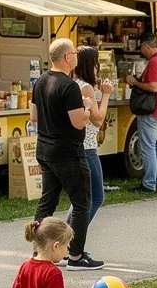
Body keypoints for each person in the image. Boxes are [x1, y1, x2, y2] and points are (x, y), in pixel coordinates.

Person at [30, 38, 103, 271]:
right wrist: (88, 106)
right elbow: (79, 122)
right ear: (67, 57)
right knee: (82, 203)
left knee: (47, 201)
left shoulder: (41, 81)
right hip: (68, 151)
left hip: (45, 148)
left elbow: (34, 116)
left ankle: (39, 250)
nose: (76, 58)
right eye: (74, 53)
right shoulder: (69, 86)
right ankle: (76, 255)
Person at [65, 45, 111, 228]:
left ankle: (66, 238)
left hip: (75, 145)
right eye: (96, 62)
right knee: (96, 197)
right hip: (87, 148)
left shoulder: (72, 83)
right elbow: (98, 120)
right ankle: (72, 239)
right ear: (91, 64)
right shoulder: (86, 88)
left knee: (80, 200)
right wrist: (106, 95)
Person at [126, 32, 157, 194]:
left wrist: (135, 82)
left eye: (142, 47)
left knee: (147, 148)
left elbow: (153, 86)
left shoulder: (154, 62)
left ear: (146, 46)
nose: (141, 51)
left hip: (151, 111)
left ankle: (149, 183)